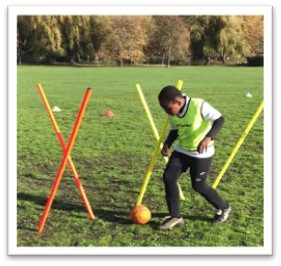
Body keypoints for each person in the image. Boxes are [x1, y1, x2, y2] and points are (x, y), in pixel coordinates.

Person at [158, 85, 231, 230]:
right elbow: (175, 129)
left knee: (198, 186)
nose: (166, 112)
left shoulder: (199, 105)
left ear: (178, 102)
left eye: (167, 108)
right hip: (182, 150)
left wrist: (208, 138)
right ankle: (175, 216)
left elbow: (220, 120)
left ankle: (224, 207)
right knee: (169, 177)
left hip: (201, 153)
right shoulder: (173, 112)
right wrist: (167, 143)